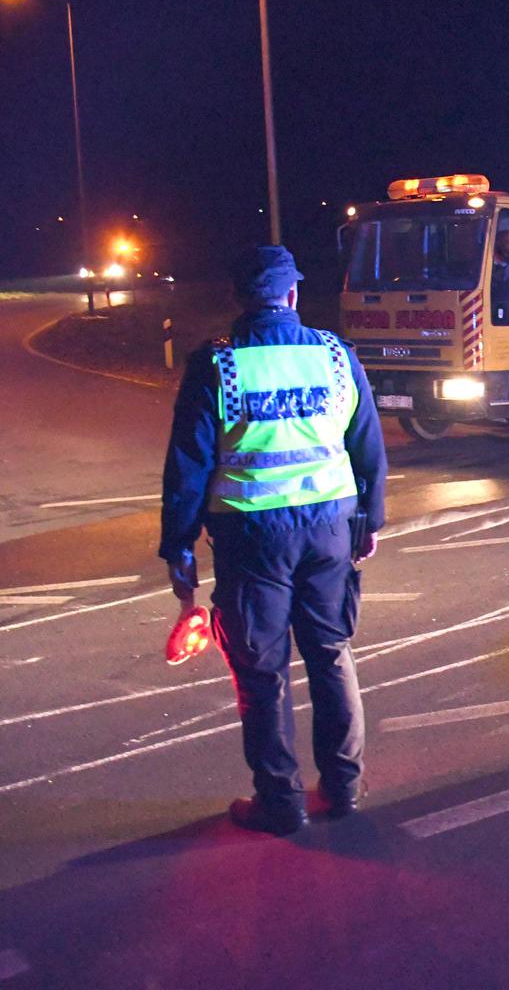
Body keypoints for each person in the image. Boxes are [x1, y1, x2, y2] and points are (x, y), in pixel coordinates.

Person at [159, 246, 387, 835]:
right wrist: (371, 523)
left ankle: (280, 803)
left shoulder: (219, 365)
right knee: (331, 653)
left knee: (262, 670)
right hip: (330, 528)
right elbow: (368, 448)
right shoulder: (336, 356)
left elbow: (188, 467)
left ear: (239, 298)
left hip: (251, 533)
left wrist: (178, 549)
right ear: (292, 296)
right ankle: (343, 787)